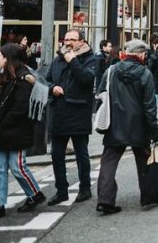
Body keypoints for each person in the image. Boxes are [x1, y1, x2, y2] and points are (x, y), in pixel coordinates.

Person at [95, 39, 158, 215]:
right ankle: (148, 196)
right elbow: (149, 106)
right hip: (138, 125)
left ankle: (105, 200)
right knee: (144, 160)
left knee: (108, 162)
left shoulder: (111, 71)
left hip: (114, 124)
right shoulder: (145, 73)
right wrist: (154, 131)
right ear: (141, 54)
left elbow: (100, 94)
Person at [46, 29, 99, 206]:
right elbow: (45, 80)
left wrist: (73, 61)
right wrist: (52, 87)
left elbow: (86, 80)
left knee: (81, 155)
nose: (68, 42)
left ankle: (85, 189)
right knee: (56, 156)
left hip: (78, 113)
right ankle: (61, 191)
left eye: (72, 39)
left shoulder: (90, 59)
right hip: (59, 114)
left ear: (81, 41)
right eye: (66, 39)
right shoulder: (57, 59)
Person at [0, 43, 46, 221]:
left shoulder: (23, 78)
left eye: (0, 56)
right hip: (1, 131)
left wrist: (1, 124)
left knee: (18, 167)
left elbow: (20, 108)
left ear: (8, 59)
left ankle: (35, 194)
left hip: (16, 131)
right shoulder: (4, 75)